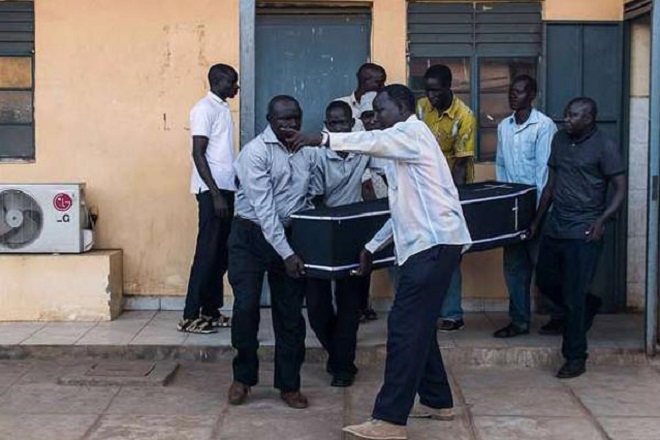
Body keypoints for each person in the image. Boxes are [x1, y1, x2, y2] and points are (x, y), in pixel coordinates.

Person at [287, 84, 472, 440]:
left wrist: (322, 139)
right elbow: (401, 209)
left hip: (432, 248)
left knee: (403, 328)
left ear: (401, 108)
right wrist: (372, 246)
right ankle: (438, 401)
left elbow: (372, 142)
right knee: (418, 326)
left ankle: (389, 420)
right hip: (434, 246)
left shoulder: (411, 133)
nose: (374, 119)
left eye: (380, 111)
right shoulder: (404, 146)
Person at [227, 95, 320, 409]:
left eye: (295, 117)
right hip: (250, 235)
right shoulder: (255, 153)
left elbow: (312, 196)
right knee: (246, 308)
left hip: (291, 235)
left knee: (290, 314)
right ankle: (243, 378)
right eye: (283, 119)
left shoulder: (308, 151)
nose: (290, 124)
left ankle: (289, 385)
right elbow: (265, 211)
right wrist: (287, 254)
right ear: (269, 120)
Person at [529, 97, 626, 379]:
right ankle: (588, 305)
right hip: (556, 225)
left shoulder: (605, 146)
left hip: (584, 230)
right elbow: (550, 185)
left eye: (573, 116)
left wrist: (601, 220)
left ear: (589, 118)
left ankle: (575, 357)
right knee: (545, 280)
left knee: (573, 297)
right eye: (567, 114)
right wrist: (537, 222)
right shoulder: (560, 140)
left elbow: (620, 188)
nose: (566, 119)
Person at [306, 100, 386, 387]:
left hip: (352, 231)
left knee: (350, 305)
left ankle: (342, 367)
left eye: (343, 123)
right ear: (325, 126)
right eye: (333, 123)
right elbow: (315, 198)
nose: (338, 128)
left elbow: (384, 170)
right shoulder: (316, 154)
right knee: (317, 305)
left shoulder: (363, 148)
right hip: (319, 229)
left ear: (352, 125)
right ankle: (339, 355)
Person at [493, 75, 557, 338]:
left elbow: (544, 175)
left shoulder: (544, 126)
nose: (513, 95)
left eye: (519, 92)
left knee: (545, 267)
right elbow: (501, 167)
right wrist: (505, 207)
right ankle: (519, 321)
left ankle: (558, 317)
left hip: (540, 210)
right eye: (511, 91)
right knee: (514, 268)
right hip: (514, 211)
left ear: (532, 95)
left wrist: (536, 219)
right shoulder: (503, 127)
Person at [177, 64, 239, 334]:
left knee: (221, 254)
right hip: (212, 193)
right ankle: (189, 316)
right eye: (232, 82)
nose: (236, 87)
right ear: (218, 81)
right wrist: (215, 194)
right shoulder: (203, 109)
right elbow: (198, 153)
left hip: (226, 189)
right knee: (206, 253)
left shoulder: (222, 108)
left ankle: (210, 311)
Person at [416, 64, 476, 333]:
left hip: (451, 190)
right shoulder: (420, 108)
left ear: (449, 87)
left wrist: (450, 203)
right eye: (427, 91)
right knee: (423, 252)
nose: (431, 96)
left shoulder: (465, 115)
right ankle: (426, 310)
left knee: (450, 253)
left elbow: (461, 166)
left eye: (436, 91)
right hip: (423, 190)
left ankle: (452, 314)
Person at [336, 63, 387, 131]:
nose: (383, 86)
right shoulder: (339, 106)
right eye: (379, 82)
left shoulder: (384, 105)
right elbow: (329, 134)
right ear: (365, 81)